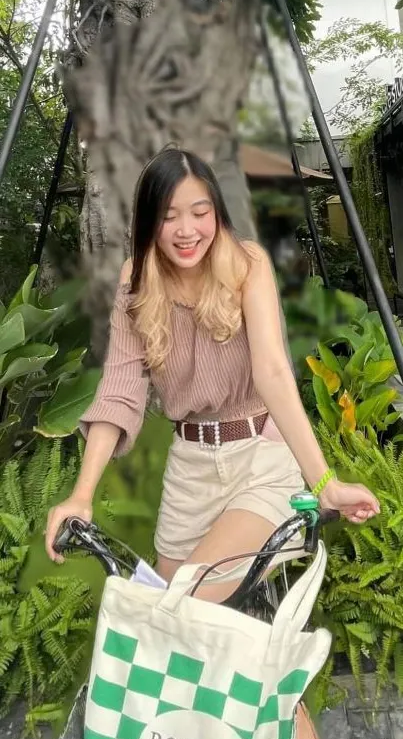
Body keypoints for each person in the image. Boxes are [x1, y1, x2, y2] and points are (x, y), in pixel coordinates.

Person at [45, 147, 379, 602]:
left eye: (200, 212)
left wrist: (325, 483)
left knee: (181, 606)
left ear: (216, 214)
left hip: (260, 456)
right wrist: (81, 496)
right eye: (169, 216)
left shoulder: (247, 264)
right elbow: (120, 389)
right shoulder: (136, 280)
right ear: (148, 223)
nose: (187, 231)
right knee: (166, 616)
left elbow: (273, 372)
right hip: (191, 467)